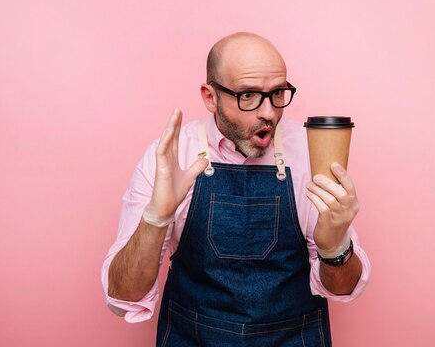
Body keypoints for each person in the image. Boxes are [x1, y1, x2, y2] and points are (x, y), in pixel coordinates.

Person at [101, 32, 371, 346]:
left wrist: (334, 248)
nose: (269, 113)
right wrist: (156, 218)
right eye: (248, 95)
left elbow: (343, 288)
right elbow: (123, 296)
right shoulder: (173, 157)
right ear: (210, 96)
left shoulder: (310, 153)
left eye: (278, 93)